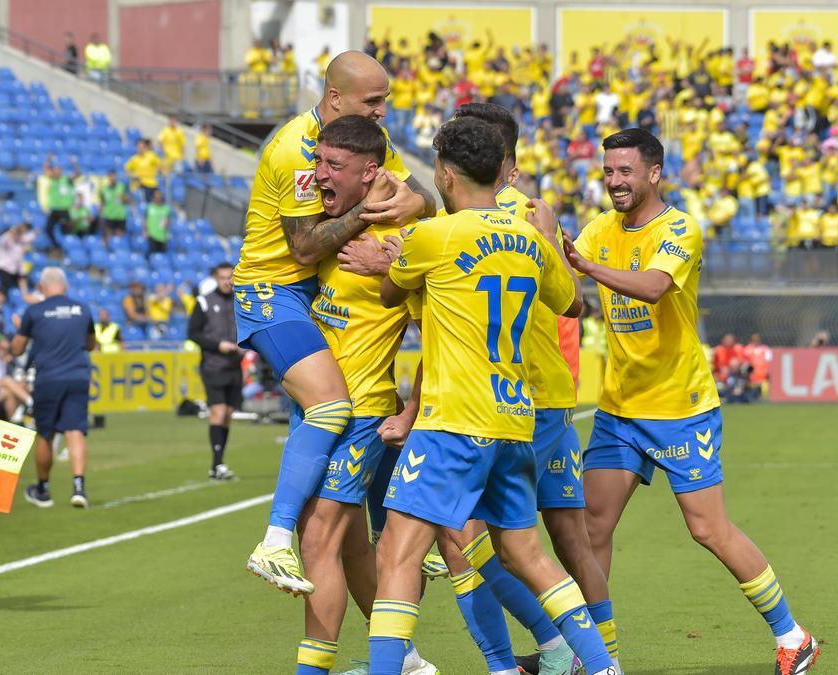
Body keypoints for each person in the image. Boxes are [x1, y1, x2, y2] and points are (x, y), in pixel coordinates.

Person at [564, 128, 819, 674]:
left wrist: (584, 270)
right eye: (608, 171)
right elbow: (564, 275)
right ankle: (599, 658)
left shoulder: (679, 229)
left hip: (681, 410)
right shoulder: (599, 229)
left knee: (708, 529)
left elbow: (654, 286)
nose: (614, 182)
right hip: (620, 410)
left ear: (654, 174)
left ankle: (794, 636)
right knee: (591, 528)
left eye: (625, 171)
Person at [370, 116, 616, 675]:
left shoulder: (435, 235)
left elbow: (391, 293)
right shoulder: (530, 236)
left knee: (398, 556)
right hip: (514, 419)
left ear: (447, 174)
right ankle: (602, 667)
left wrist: (395, 255)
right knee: (528, 555)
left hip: (453, 420)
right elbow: (568, 300)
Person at [234, 50, 435, 595]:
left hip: (316, 291)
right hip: (272, 291)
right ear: (334, 97)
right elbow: (302, 247)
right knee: (333, 405)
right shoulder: (297, 150)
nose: (383, 112)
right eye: (374, 101)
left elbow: (430, 199)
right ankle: (274, 541)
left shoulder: (366, 138)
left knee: (372, 412)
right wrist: (369, 211)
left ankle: (402, 643)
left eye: (386, 101)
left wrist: (408, 201)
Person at [14, 267, 95, 508]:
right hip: (78, 375)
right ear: (65, 286)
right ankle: (79, 487)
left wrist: (21, 329)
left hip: (48, 378)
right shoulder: (82, 309)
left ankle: (43, 489)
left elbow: (17, 349)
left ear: (41, 287)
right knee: (75, 431)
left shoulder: (35, 311)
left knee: (46, 434)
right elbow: (91, 344)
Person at [188, 262, 243, 478]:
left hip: (234, 365)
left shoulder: (240, 301)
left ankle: (217, 465)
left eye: (229, 278)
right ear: (215, 278)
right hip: (213, 365)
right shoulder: (204, 302)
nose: (226, 282)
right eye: (222, 278)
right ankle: (218, 463)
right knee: (218, 412)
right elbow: (193, 333)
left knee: (228, 414)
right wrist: (217, 345)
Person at [0, 222, 33, 291]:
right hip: (3, 267)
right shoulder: (6, 239)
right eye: (17, 234)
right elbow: (6, 237)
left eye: (20, 234)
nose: (18, 236)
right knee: (5, 287)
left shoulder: (19, 246)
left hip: (13, 270)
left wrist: (22, 274)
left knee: (27, 282)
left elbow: (19, 261)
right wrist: (15, 229)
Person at [45, 163, 74, 240]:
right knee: (48, 229)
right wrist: (49, 159)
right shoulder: (52, 179)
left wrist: (74, 163)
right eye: (55, 171)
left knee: (66, 230)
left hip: (64, 210)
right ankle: (57, 246)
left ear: (61, 172)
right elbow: (46, 168)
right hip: (55, 210)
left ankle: (67, 247)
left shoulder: (66, 179)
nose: (56, 173)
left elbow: (78, 174)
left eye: (58, 171)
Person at [97, 169, 129, 240]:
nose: (113, 178)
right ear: (108, 178)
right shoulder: (104, 190)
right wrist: (100, 213)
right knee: (108, 236)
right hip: (109, 215)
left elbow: (129, 201)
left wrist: (123, 198)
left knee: (120, 237)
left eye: (114, 176)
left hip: (120, 216)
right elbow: (102, 203)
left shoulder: (122, 187)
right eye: (111, 176)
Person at [144, 188, 171, 255]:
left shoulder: (166, 208)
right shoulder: (150, 207)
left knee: (162, 255)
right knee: (154, 255)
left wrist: (167, 222)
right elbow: (146, 220)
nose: (158, 198)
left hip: (162, 236)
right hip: (152, 235)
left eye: (159, 196)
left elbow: (169, 221)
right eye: (156, 196)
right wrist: (146, 230)